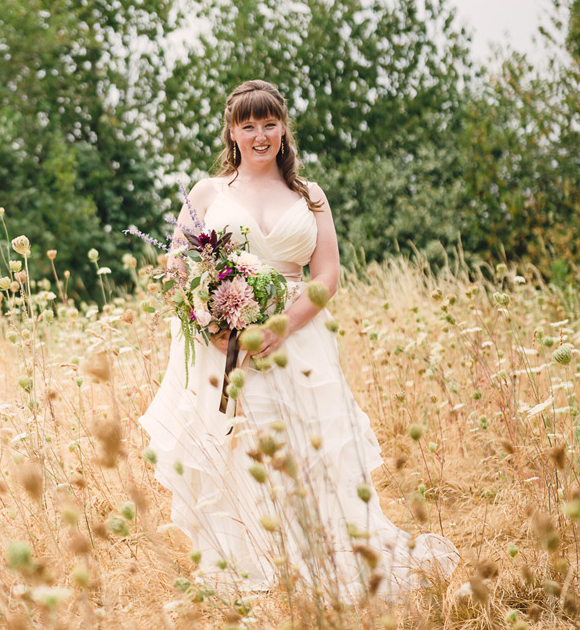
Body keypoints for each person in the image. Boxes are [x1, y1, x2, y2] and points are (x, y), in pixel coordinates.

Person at [139, 80, 459, 601]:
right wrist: (211, 318)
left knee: (305, 445)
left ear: (283, 129)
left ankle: (320, 557)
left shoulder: (308, 195)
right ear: (233, 132)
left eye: (270, 124)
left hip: (297, 337)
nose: (260, 134)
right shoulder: (208, 193)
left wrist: (280, 326)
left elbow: (326, 276)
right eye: (249, 125)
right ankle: (251, 561)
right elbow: (177, 262)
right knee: (242, 441)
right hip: (226, 340)